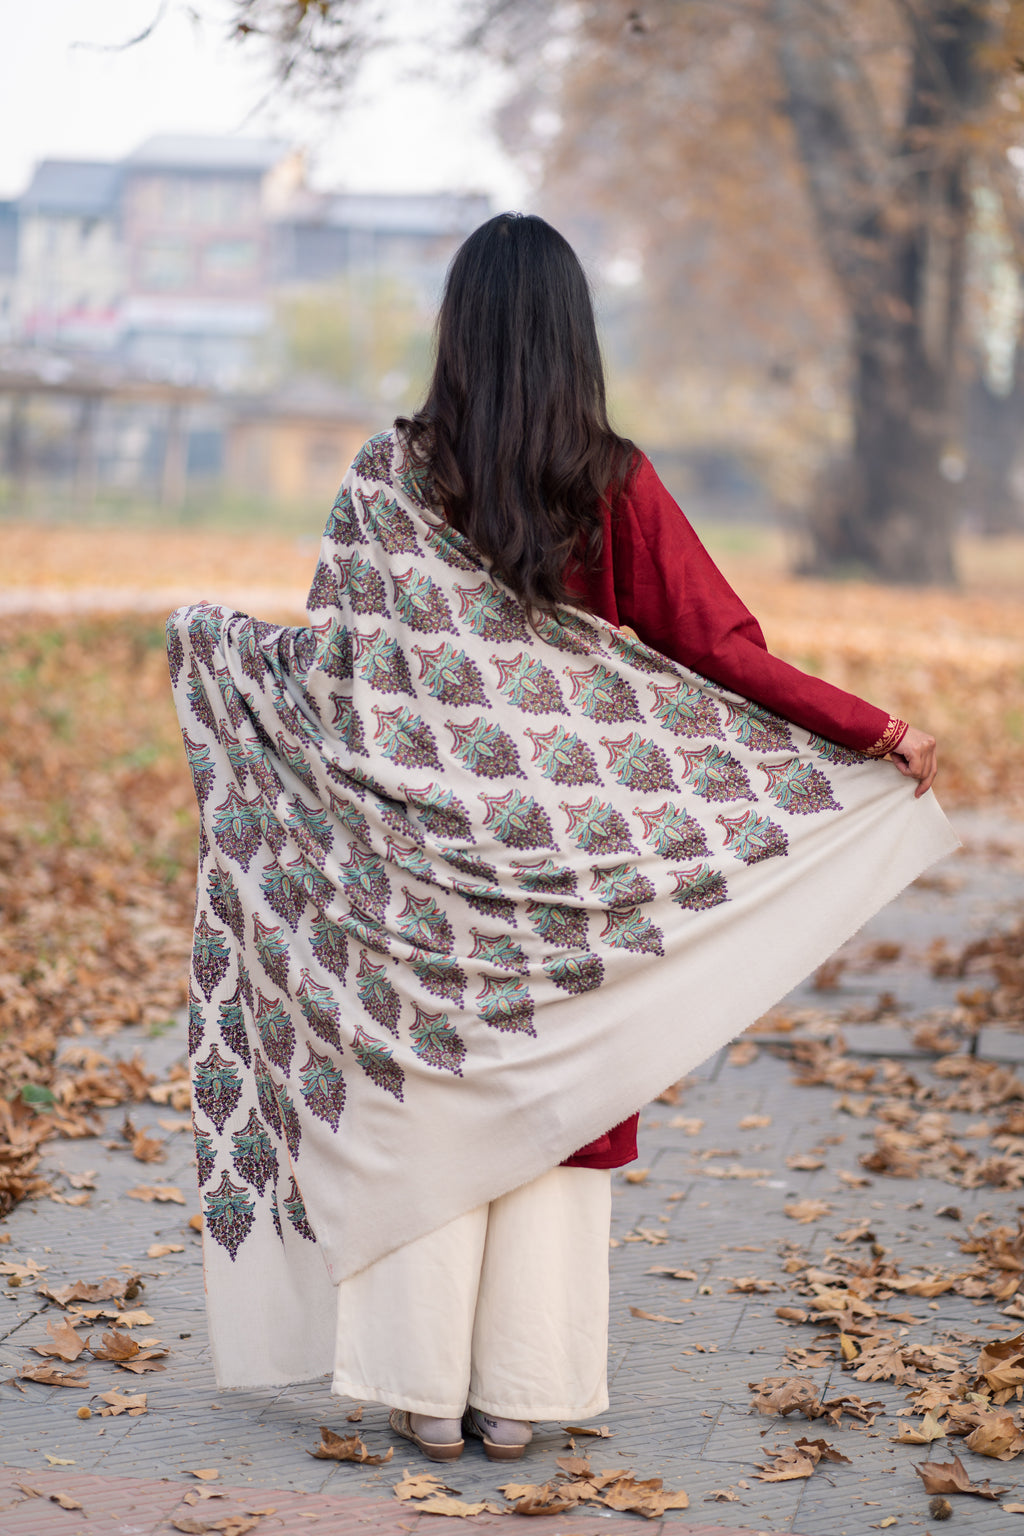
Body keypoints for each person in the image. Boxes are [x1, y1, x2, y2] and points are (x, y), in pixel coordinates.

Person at [167, 212, 949, 1470]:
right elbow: (720, 649)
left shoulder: (385, 477)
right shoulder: (612, 482)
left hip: (418, 870)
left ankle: (422, 1388)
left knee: (434, 1087)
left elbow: (342, 676)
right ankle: (522, 1391)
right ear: (574, 336)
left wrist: (221, 648)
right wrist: (872, 730)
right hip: (575, 869)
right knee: (560, 1090)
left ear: (457, 328)